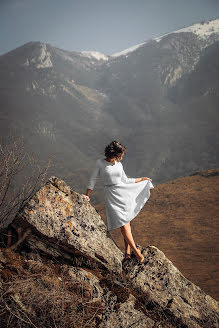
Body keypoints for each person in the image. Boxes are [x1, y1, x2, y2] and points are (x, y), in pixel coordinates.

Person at [82, 140, 154, 263]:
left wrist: (142, 179)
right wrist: (87, 195)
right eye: (121, 155)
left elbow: (125, 180)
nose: (122, 157)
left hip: (123, 193)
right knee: (124, 226)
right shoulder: (100, 163)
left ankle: (127, 253)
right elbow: (93, 179)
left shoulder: (118, 164)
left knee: (127, 224)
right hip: (112, 197)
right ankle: (137, 254)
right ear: (116, 154)